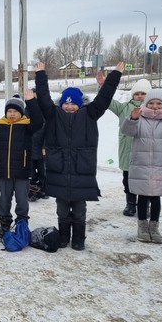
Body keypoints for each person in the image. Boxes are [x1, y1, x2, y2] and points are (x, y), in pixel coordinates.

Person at [35, 61, 124, 251]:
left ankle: (79, 239)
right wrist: (41, 74)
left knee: (79, 209)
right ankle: (63, 237)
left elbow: (105, 97)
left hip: (81, 170)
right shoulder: (53, 115)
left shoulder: (90, 114)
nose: (68, 107)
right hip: (58, 169)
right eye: (66, 103)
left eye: (73, 103)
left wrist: (115, 75)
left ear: (79, 104)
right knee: (61, 209)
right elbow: (43, 98)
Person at [0, 88, 43, 238]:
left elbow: (39, 121)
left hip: (22, 172)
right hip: (4, 172)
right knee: (4, 200)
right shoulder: (0, 126)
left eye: (16, 111)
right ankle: (5, 225)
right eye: (9, 111)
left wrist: (31, 102)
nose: (12, 114)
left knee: (22, 201)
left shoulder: (27, 126)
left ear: (21, 113)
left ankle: (22, 224)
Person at [98, 76, 152, 216]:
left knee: (145, 180)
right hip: (127, 151)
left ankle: (144, 204)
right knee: (127, 180)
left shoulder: (152, 108)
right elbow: (108, 102)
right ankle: (130, 204)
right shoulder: (123, 108)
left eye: (143, 94)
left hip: (145, 152)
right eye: (137, 93)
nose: (140, 96)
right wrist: (104, 86)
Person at [121, 88, 162, 244]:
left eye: (159, 103)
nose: (155, 106)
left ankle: (154, 227)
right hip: (141, 164)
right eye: (152, 103)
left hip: (160, 165)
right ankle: (142, 226)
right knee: (142, 197)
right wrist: (132, 119)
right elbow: (127, 131)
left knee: (155, 198)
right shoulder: (140, 117)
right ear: (146, 104)